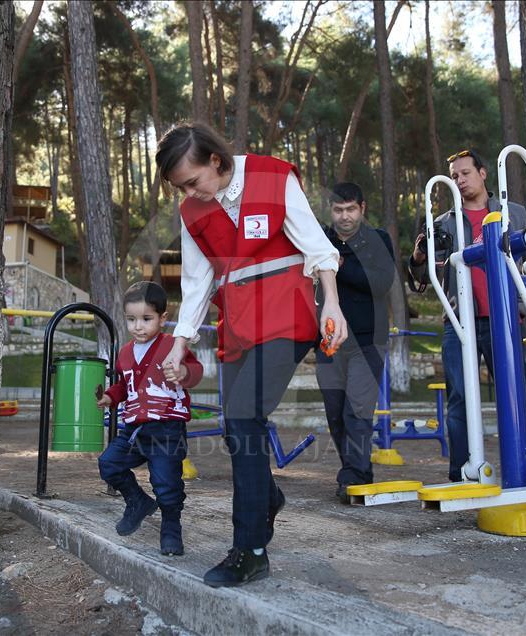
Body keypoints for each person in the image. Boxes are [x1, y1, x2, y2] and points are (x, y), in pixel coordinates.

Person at [155, 122, 347, 588]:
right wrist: (179, 346)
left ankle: (250, 550)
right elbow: (198, 283)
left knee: (243, 417)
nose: (190, 192)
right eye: (181, 187)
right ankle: (267, 498)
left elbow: (317, 247)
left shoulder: (273, 176)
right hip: (238, 323)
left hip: (287, 312)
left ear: (216, 162)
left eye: (193, 180)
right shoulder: (192, 211)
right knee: (239, 425)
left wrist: (334, 306)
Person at [408, 149, 526, 482]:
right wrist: (418, 257)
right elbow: (423, 281)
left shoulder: (515, 214)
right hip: (458, 320)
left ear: (483, 173)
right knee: (459, 399)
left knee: (517, 394)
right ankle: (463, 472)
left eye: (465, 173)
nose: (460, 180)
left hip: (505, 316)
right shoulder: (442, 223)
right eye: (454, 176)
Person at [96, 281, 204, 557]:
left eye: (146, 319)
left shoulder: (172, 345)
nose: (138, 327)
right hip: (133, 428)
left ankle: (171, 526)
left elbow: (196, 370)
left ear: (163, 318)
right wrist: (110, 397)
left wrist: (182, 371)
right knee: (109, 464)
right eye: (131, 320)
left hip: (166, 427)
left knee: (167, 483)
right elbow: (124, 385)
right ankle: (137, 501)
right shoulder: (125, 353)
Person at [316, 183, 395, 503]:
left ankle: (355, 475)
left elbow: (381, 282)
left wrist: (340, 265)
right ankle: (352, 469)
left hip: (368, 339)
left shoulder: (378, 240)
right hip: (329, 341)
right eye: (338, 210)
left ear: (362, 208)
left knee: (357, 411)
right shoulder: (321, 241)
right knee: (335, 412)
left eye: (350, 209)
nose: (344, 216)